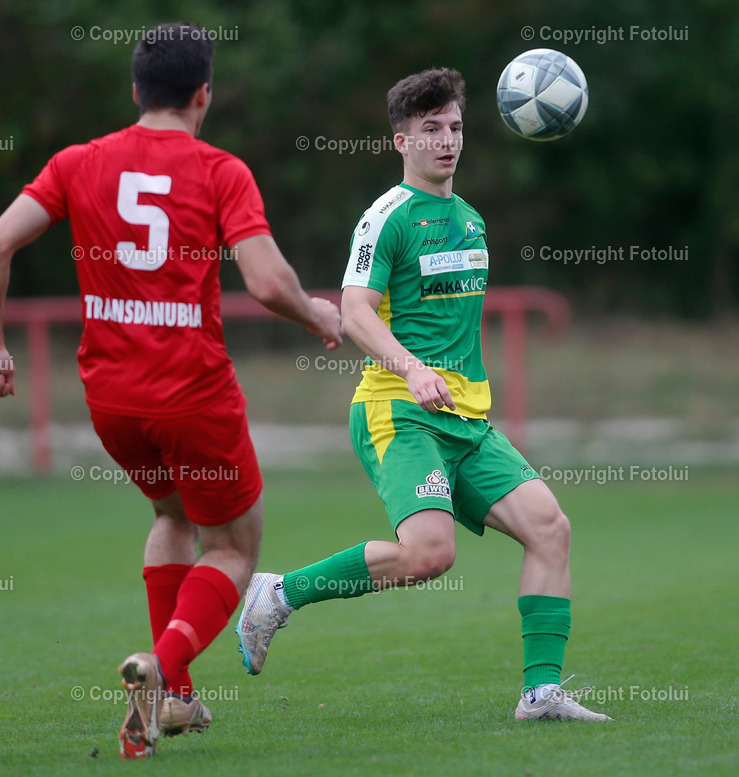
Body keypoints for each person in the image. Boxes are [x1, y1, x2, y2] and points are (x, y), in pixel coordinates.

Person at [0, 21, 343, 758]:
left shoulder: (79, 162)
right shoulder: (219, 170)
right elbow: (267, 282)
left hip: (111, 398)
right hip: (193, 395)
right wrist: (316, 315)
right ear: (204, 94)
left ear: (135, 91)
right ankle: (162, 674)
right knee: (235, 544)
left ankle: (176, 700)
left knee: (171, 515)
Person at [236, 67, 611, 722]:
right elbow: (355, 311)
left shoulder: (470, 220)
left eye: (456, 127)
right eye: (431, 129)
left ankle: (540, 693)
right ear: (401, 141)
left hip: (465, 420)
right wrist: (411, 369)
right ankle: (278, 592)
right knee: (431, 554)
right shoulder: (387, 218)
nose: (447, 141)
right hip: (398, 409)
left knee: (551, 528)